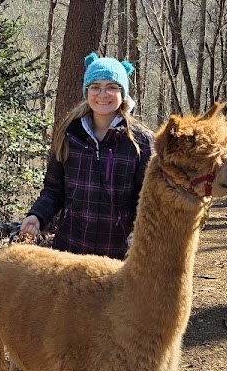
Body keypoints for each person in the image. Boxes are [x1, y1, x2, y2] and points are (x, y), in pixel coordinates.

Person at [20, 52, 154, 260]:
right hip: (70, 252)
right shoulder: (69, 134)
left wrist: (140, 233)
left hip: (119, 258)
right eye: (95, 87)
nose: (103, 94)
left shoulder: (141, 142)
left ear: (123, 92)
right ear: (87, 91)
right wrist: (37, 216)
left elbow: (148, 199)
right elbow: (54, 190)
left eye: (111, 86)